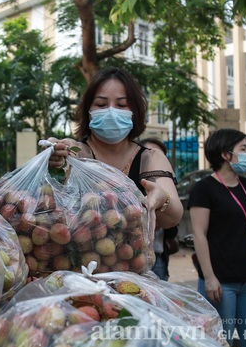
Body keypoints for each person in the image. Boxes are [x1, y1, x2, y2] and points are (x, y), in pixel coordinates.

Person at [47, 66, 183, 230]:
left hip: (136, 254)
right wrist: (55, 155)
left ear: (135, 111)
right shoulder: (74, 154)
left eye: (121, 104)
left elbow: (173, 218)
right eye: (101, 104)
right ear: (88, 110)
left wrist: (163, 199)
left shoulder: (151, 159)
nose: (111, 111)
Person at [189, 128, 246, 347]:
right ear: (225, 154)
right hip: (220, 283)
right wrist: (209, 276)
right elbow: (199, 234)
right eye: (243, 148)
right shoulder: (205, 189)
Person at [138, 138, 180, 281]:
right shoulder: (131, 183)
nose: (155, 157)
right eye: (150, 152)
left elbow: (173, 226)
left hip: (157, 258)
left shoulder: (167, 185)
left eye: (159, 155)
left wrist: (163, 202)